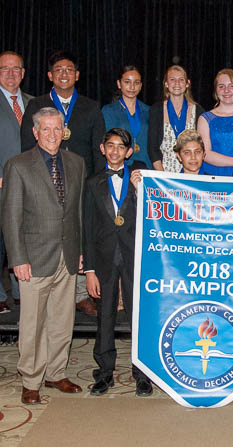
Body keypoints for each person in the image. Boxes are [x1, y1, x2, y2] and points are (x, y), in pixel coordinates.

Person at [2, 107, 86, 404]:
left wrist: (79, 252)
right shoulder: (18, 165)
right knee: (32, 324)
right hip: (33, 258)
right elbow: (10, 217)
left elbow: (76, 212)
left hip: (68, 254)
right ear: (35, 132)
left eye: (57, 128)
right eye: (46, 129)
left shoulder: (76, 163)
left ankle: (55, 373)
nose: (52, 135)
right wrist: (17, 258)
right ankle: (31, 378)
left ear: (64, 131)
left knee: (62, 320)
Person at [20, 50, 105, 316]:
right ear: (49, 75)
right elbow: (26, 144)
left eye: (69, 69)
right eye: (58, 69)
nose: (64, 74)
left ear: (77, 75)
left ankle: (79, 293)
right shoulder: (38, 105)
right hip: (44, 181)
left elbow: (97, 148)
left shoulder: (91, 107)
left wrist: (96, 183)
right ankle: (46, 286)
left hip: (80, 182)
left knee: (78, 231)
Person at [84, 128, 153, 397]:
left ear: (129, 151)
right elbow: (88, 229)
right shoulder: (92, 183)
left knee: (140, 316)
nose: (115, 151)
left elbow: (152, 216)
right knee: (105, 318)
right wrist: (89, 269)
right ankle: (104, 373)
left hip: (135, 257)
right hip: (103, 260)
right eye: (109, 146)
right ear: (102, 149)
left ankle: (143, 373)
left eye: (120, 147)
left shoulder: (142, 181)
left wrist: (140, 189)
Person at [0, 50, 30, 313]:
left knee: (22, 241)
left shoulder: (33, 103)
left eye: (15, 69)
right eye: (4, 68)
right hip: (0, 186)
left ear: (23, 73)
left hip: (29, 189)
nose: (10, 73)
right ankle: (0, 298)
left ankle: (21, 293)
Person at [148, 65, 204, 172]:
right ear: (166, 84)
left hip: (191, 172)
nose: (177, 83)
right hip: (163, 172)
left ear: (187, 83)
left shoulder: (198, 111)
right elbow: (152, 148)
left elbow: (201, 147)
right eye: (172, 79)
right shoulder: (156, 110)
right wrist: (162, 176)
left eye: (181, 79)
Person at [102, 65, 151, 169]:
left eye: (136, 83)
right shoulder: (108, 111)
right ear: (119, 84)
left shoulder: (149, 111)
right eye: (127, 82)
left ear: (141, 85)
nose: (132, 87)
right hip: (120, 165)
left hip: (146, 166)